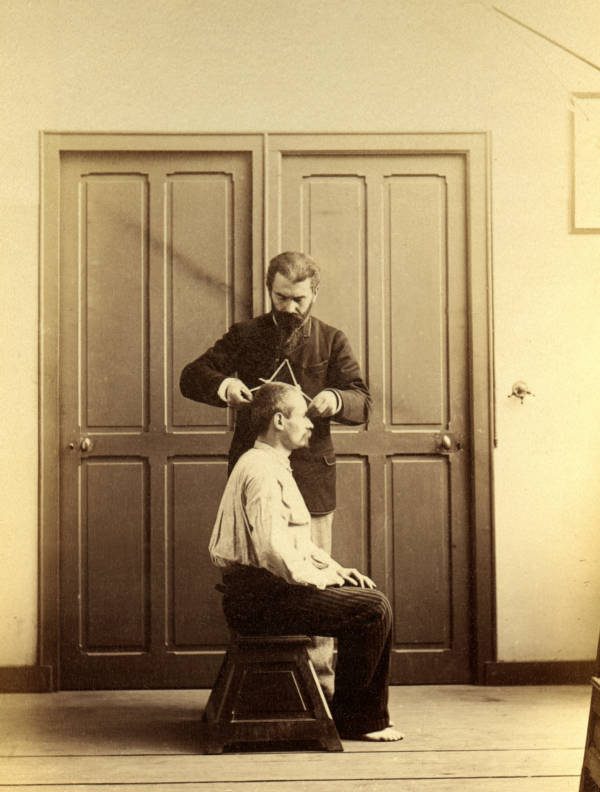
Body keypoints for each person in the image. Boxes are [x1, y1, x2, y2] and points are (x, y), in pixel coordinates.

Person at [180, 251, 371, 700]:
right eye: (281, 297)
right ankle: (265, 688)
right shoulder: (245, 335)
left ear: (314, 294)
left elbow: (363, 400)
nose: (289, 308)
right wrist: (223, 386)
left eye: (299, 299)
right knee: (261, 580)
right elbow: (193, 376)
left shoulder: (331, 340)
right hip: (258, 482)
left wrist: (335, 400)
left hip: (312, 481)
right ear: (270, 291)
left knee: (318, 584)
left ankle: (321, 690)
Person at [209, 382, 402, 741]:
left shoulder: (271, 464)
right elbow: (271, 549)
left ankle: (359, 716)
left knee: (372, 600)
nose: (312, 423)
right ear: (279, 421)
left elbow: (295, 542)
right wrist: (321, 580)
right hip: (259, 600)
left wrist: (334, 571)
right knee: (373, 610)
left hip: (264, 593)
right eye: (303, 415)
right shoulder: (263, 471)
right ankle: (359, 720)